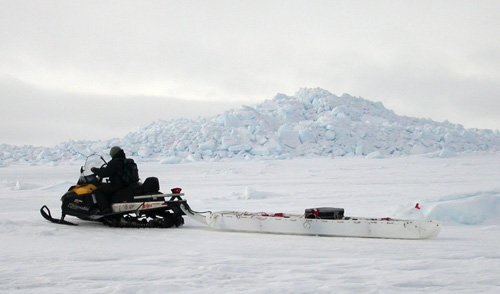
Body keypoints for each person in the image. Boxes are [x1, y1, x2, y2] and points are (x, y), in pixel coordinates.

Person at [90, 146, 130, 214]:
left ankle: (105, 209)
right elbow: (111, 170)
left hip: (117, 185)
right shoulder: (125, 161)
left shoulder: (114, 162)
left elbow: (106, 173)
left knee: (98, 191)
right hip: (126, 184)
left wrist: (95, 170)